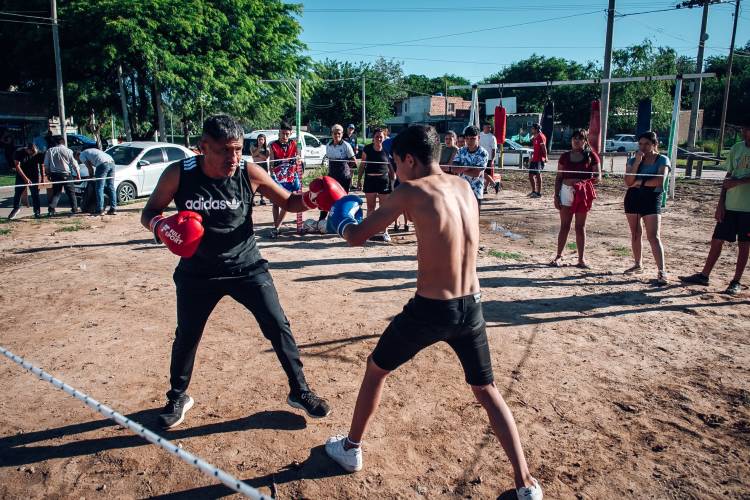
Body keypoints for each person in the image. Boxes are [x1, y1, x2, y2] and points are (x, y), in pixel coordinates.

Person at [322, 125, 543, 500]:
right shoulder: (463, 187)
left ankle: (351, 448)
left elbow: (358, 236)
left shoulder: (410, 190)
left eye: (395, 161)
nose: (394, 168)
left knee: (376, 369)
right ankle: (526, 484)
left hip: (429, 309)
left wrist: (340, 218)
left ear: (409, 159)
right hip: (472, 305)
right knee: (487, 390)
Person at [140, 115, 343, 429]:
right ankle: (177, 396)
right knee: (187, 336)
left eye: (238, 149)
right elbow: (149, 211)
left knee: (277, 324)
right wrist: (161, 227)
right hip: (198, 271)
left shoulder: (248, 171)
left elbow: (289, 202)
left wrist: (315, 198)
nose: (233, 157)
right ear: (203, 147)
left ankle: (300, 391)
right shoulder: (179, 173)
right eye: (224, 151)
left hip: (246, 266)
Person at [679, 123, 750, 295]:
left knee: (744, 244)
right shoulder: (737, 148)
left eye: (746, 129)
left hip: (748, 209)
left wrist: (738, 182)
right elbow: (728, 176)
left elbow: (735, 179)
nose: (743, 132)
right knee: (717, 240)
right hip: (731, 205)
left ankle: (736, 281)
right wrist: (720, 204)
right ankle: (704, 275)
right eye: (743, 129)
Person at [623, 131, 670, 285]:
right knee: (636, 233)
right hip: (633, 198)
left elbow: (659, 182)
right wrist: (637, 162)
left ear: (654, 144)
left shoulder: (662, 159)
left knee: (653, 236)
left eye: (647, 144)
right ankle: (638, 264)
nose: (643, 147)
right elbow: (628, 181)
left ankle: (662, 270)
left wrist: (640, 182)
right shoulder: (633, 160)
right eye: (641, 144)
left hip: (651, 199)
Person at [550, 129, 601, 268]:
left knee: (580, 226)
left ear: (585, 141)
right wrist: (556, 195)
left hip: (582, 193)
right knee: (564, 226)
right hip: (566, 191)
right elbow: (559, 177)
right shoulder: (565, 156)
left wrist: (583, 184)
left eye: (580, 138)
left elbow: (598, 176)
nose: (576, 141)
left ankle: (581, 259)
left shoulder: (591, 156)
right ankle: (559, 256)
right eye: (574, 138)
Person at [356, 128, 394, 242]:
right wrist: (358, 180)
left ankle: (385, 231)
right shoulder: (367, 149)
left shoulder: (386, 150)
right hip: (370, 180)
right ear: (373, 137)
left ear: (384, 137)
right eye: (377, 136)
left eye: (381, 137)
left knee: (384, 209)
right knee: (371, 208)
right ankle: (369, 232)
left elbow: (390, 167)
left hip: (383, 181)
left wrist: (393, 180)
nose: (378, 139)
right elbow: (362, 165)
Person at [268, 122, 301, 238]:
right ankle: (276, 226)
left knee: (285, 204)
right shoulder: (272, 145)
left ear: (290, 133)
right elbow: (271, 164)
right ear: (279, 132)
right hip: (278, 177)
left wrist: (298, 159)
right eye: (283, 133)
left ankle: (277, 227)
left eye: (287, 134)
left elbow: (299, 159)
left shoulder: (294, 144)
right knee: (276, 203)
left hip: (290, 177)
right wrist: (272, 177)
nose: (285, 136)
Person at [320, 124, 357, 221]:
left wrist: (346, 170)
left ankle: (340, 220)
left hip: (344, 177)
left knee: (342, 199)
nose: (337, 135)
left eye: (339, 133)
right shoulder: (328, 145)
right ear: (332, 134)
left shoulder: (346, 145)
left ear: (342, 134)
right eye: (335, 133)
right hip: (332, 176)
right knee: (327, 197)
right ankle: (322, 219)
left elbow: (354, 161)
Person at [452, 125, 488, 216]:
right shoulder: (460, 151)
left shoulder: (483, 153)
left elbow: (476, 173)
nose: (469, 141)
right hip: (461, 189)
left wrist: (462, 169)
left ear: (478, 138)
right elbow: (454, 168)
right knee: (461, 217)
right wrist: (469, 167)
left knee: (475, 217)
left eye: (472, 138)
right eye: (467, 138)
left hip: (476, 190)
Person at [43, 136, 81, 216]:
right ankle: (74, 209)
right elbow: (74, 163)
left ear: (56, 142)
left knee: (56, 192)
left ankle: (51, 210)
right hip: (66, 174)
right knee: (71, 192)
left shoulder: (50, 151)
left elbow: (46, 165)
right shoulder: (68, 151)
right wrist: (78, 174)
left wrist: (48, 174)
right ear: (63, 142)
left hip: (55, 174)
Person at [8, 143, 44, 219]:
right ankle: (16, 208)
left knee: (35, 194)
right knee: (18, 192)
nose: (32, 155)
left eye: (34, 154)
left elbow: (41, 164)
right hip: (21, 175)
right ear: (27, 149)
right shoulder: (18, 152)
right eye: (31, 153)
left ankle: (37, 212)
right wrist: (25, 178)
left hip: (34, 175)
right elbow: (17, 166)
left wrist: (42, 178)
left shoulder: (38, 153)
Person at [78, 147, 117, 215]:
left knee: (99, 187)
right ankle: (113, 209)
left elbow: (90, 168)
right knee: (111, 187)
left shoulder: (81, 155)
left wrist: (90, 178)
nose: (79, 161)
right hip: (112, 162)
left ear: (76, 156)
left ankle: (100, 209)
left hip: (102, 164)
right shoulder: (89, 151)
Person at [480, 123, 500, 194]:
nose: (488, 129)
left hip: (489, 158)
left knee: (486, 173)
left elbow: (494, 149)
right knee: (481, 172)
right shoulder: (479, 135)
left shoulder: (492, 137)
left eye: (489, 127)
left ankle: (485, 188)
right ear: (483, 127)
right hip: (480, 157)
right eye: (487, 127)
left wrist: (493, 160)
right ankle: (494, 184)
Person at [251, 133, 270, 206]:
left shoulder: (267, 148)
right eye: (259, 139)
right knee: (254, 183)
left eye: (262, 139)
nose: (260, 141)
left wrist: (258, 154)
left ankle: (262, 199)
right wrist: (259, 148)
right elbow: (253, 155)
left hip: (264, 166)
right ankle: (252, 200)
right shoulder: (253, 146)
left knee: (263, 184)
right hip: (256, 166)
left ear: (264, 140)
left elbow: (265, 157)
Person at [528, 124, 547, 198]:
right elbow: (535, 148)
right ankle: (533, 191)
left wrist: (546, 157)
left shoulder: (541, 136)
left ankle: (538, 193)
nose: (531, 130)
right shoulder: (535, 137)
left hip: (539, 159)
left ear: (536, 129)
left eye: (532, 128)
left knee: (538, 175)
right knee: (530, 175)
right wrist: (532, 157)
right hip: (534, 159)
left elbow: (544, 148)